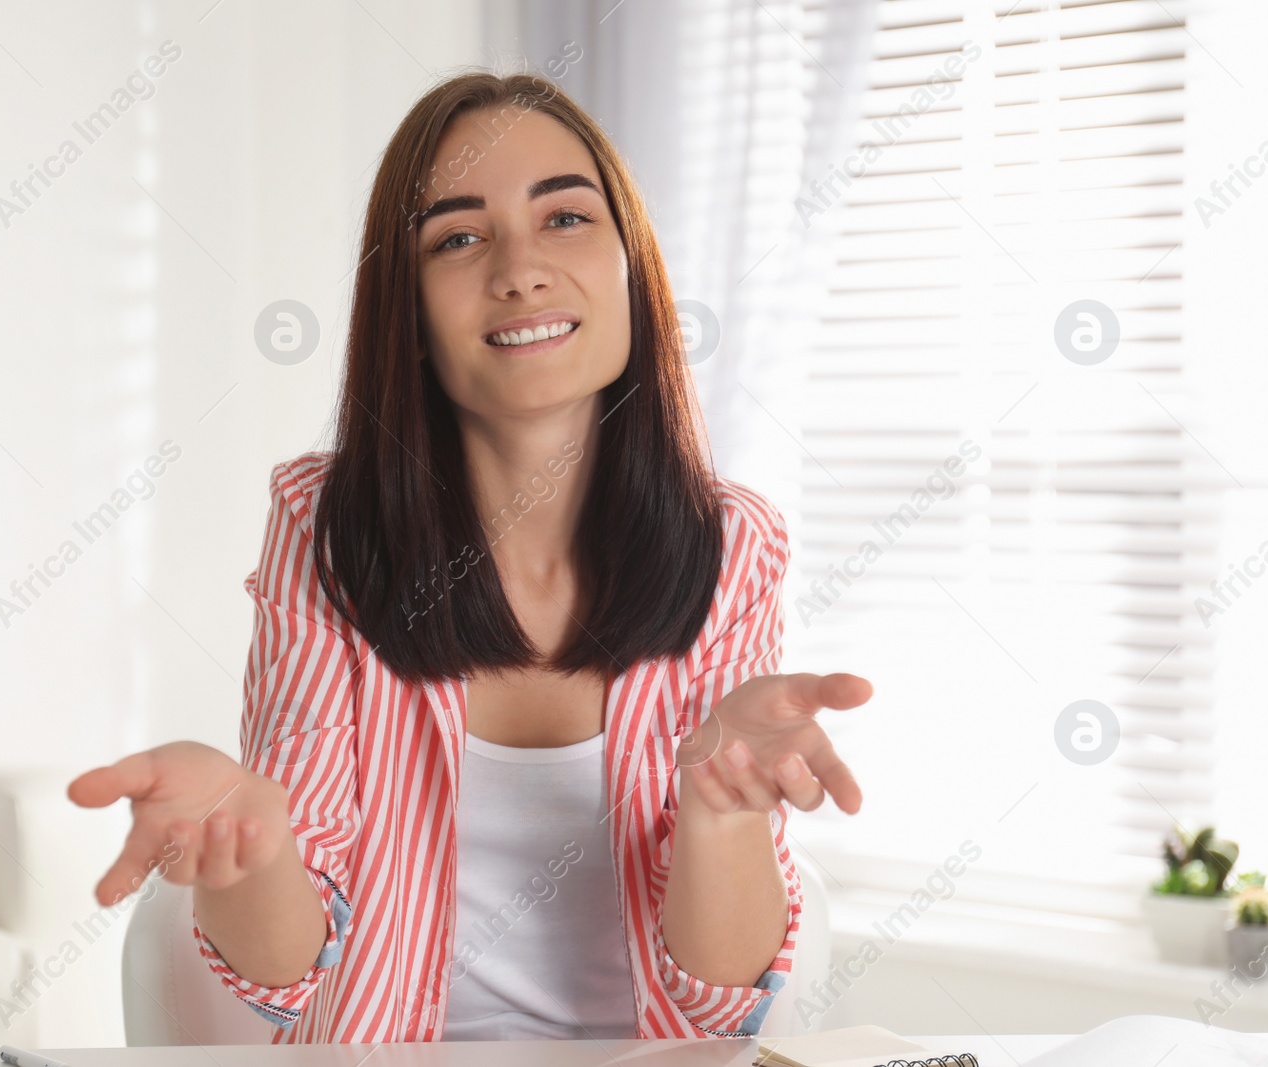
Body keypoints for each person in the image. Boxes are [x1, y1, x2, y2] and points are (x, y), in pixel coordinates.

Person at [68, 68, 871, 1045]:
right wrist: (252, 843)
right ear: (404, 308)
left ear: (633, 265)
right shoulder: (327, 526)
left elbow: (717, 1002)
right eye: (457, 235)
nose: (520, 268)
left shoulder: (732, 543)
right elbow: (286, 980)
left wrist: (719, 806)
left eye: (566, 218)